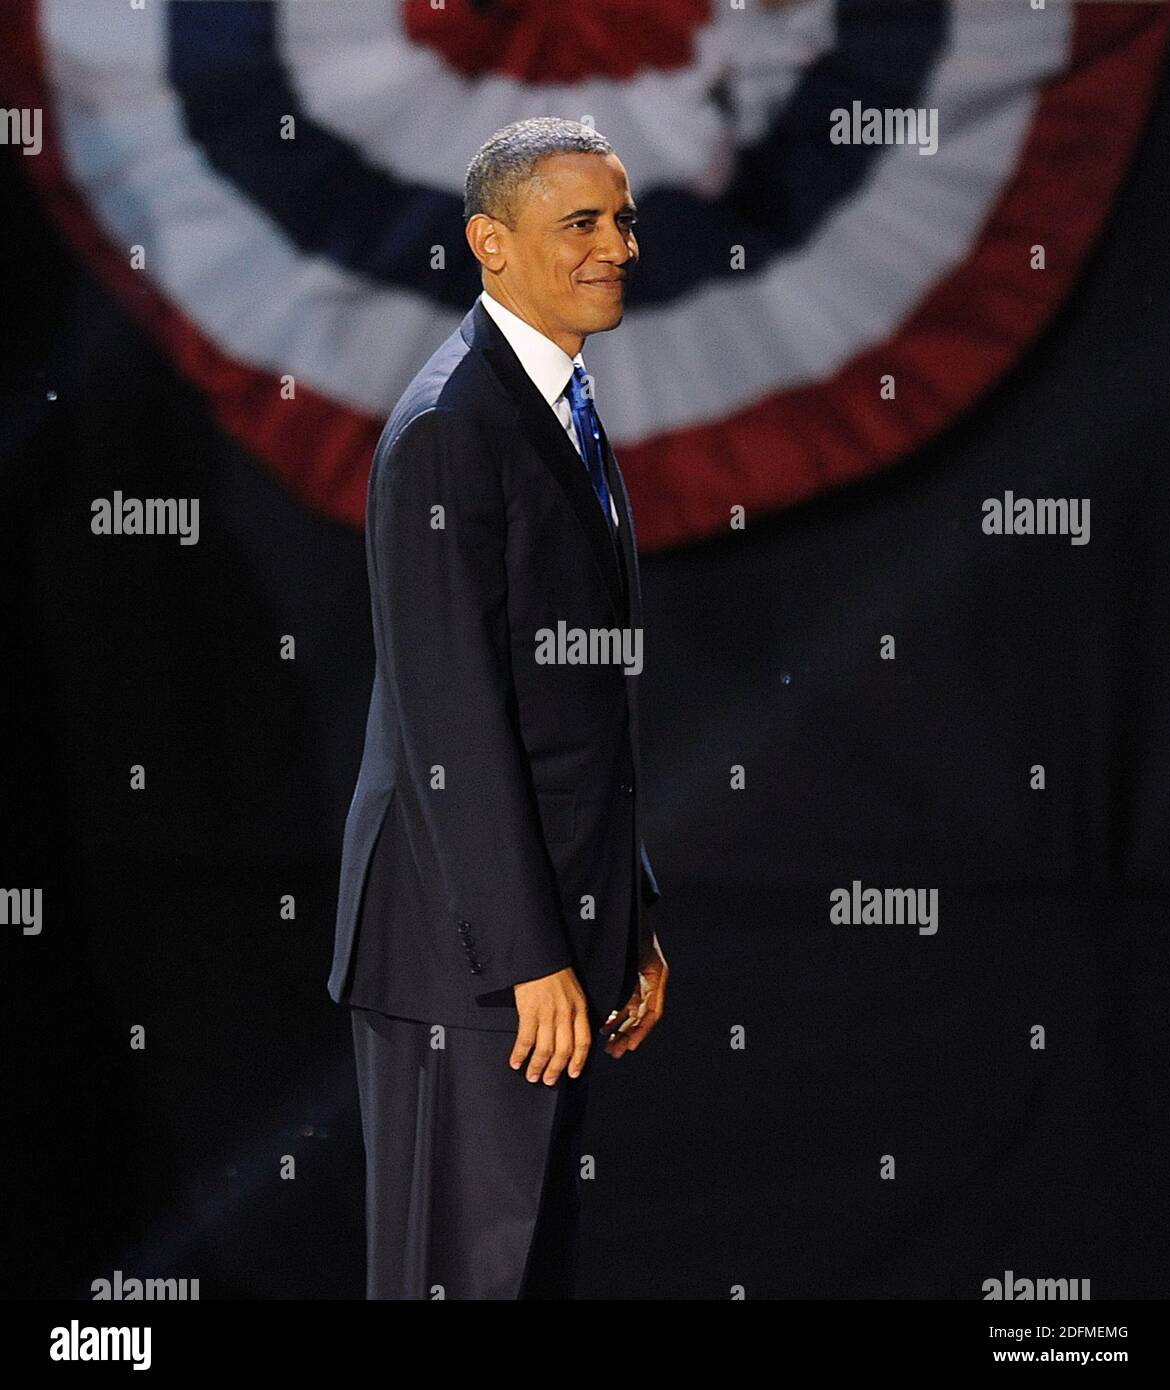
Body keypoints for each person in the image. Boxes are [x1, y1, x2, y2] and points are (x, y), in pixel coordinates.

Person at [327, 116, 668, 1300]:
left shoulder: (559, 404)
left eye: (621, 218)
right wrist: (528, 957)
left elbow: (578, 708)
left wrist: (627, 914)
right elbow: (450, 720)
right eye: (580, 222)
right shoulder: (448, 426)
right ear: (490, 242)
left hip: (549, 943)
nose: (616, 245)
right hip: (464, 966)